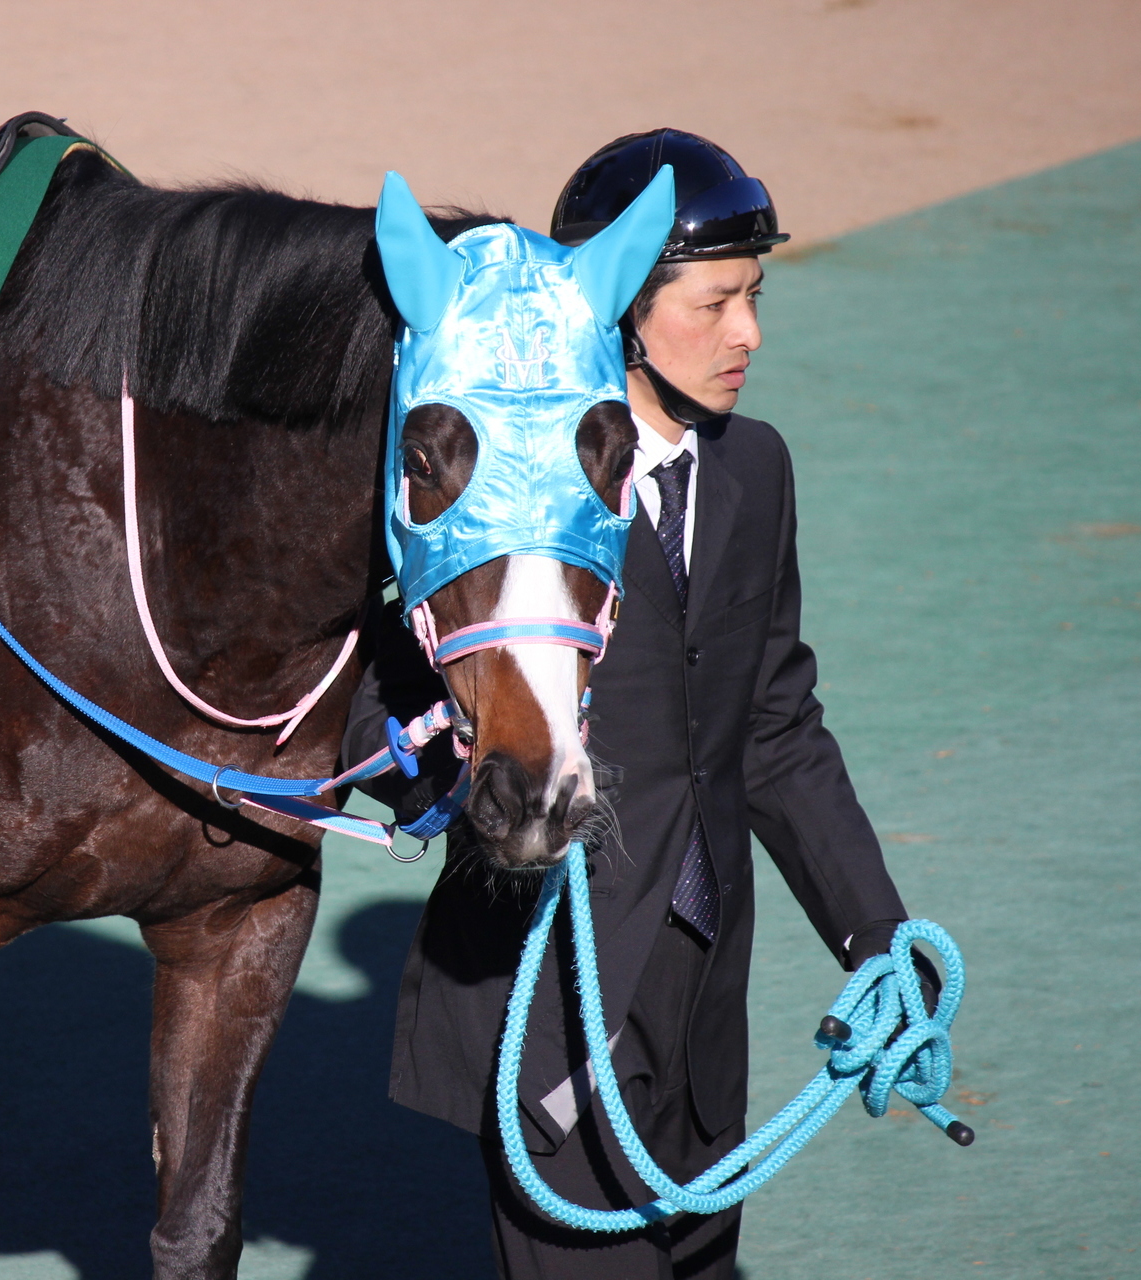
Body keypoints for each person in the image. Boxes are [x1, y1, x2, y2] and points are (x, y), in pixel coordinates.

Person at [344, 129, 936, 1278]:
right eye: (715, 304)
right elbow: (378, 686)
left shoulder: (754, 469)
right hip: (559, 1017)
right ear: (622, 312)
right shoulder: (501, 491)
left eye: (754, 299)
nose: (747, 334)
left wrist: (880, 936)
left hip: (710, 1012)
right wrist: (450, 768)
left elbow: (772, 727)